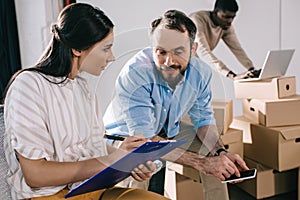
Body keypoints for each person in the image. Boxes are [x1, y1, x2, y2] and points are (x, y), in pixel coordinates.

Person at [3, 3, 169, 200]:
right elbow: (36, 175)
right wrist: (112, 160)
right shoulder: (29, 85)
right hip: (48, 196)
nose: (112, 57)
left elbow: (93, 145)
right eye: (106, 48)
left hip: (90, 190)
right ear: (77, 49)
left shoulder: (82, 88)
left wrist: (127, 158)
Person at [103, 9, 249, 200]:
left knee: (213, 156)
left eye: (179, 51)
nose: (169, 61)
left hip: (166, 129)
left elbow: (204, 120)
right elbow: (145, 140)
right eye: (161, 52)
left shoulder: (201, 74)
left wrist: (220, 152)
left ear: (193, 49)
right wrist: (201, 163)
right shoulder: (136, 73)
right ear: (153, 48)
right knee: (140, 163)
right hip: (127, 136)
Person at [189, 0, 260, 80]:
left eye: (233, 17)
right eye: (226, 17)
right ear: (216, 12)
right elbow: (203, 51)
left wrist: (251, 69)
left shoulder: (225, 26)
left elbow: (237, 49)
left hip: (194, 66)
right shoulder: (196, 20)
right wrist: (231, 75)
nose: (230, 21)